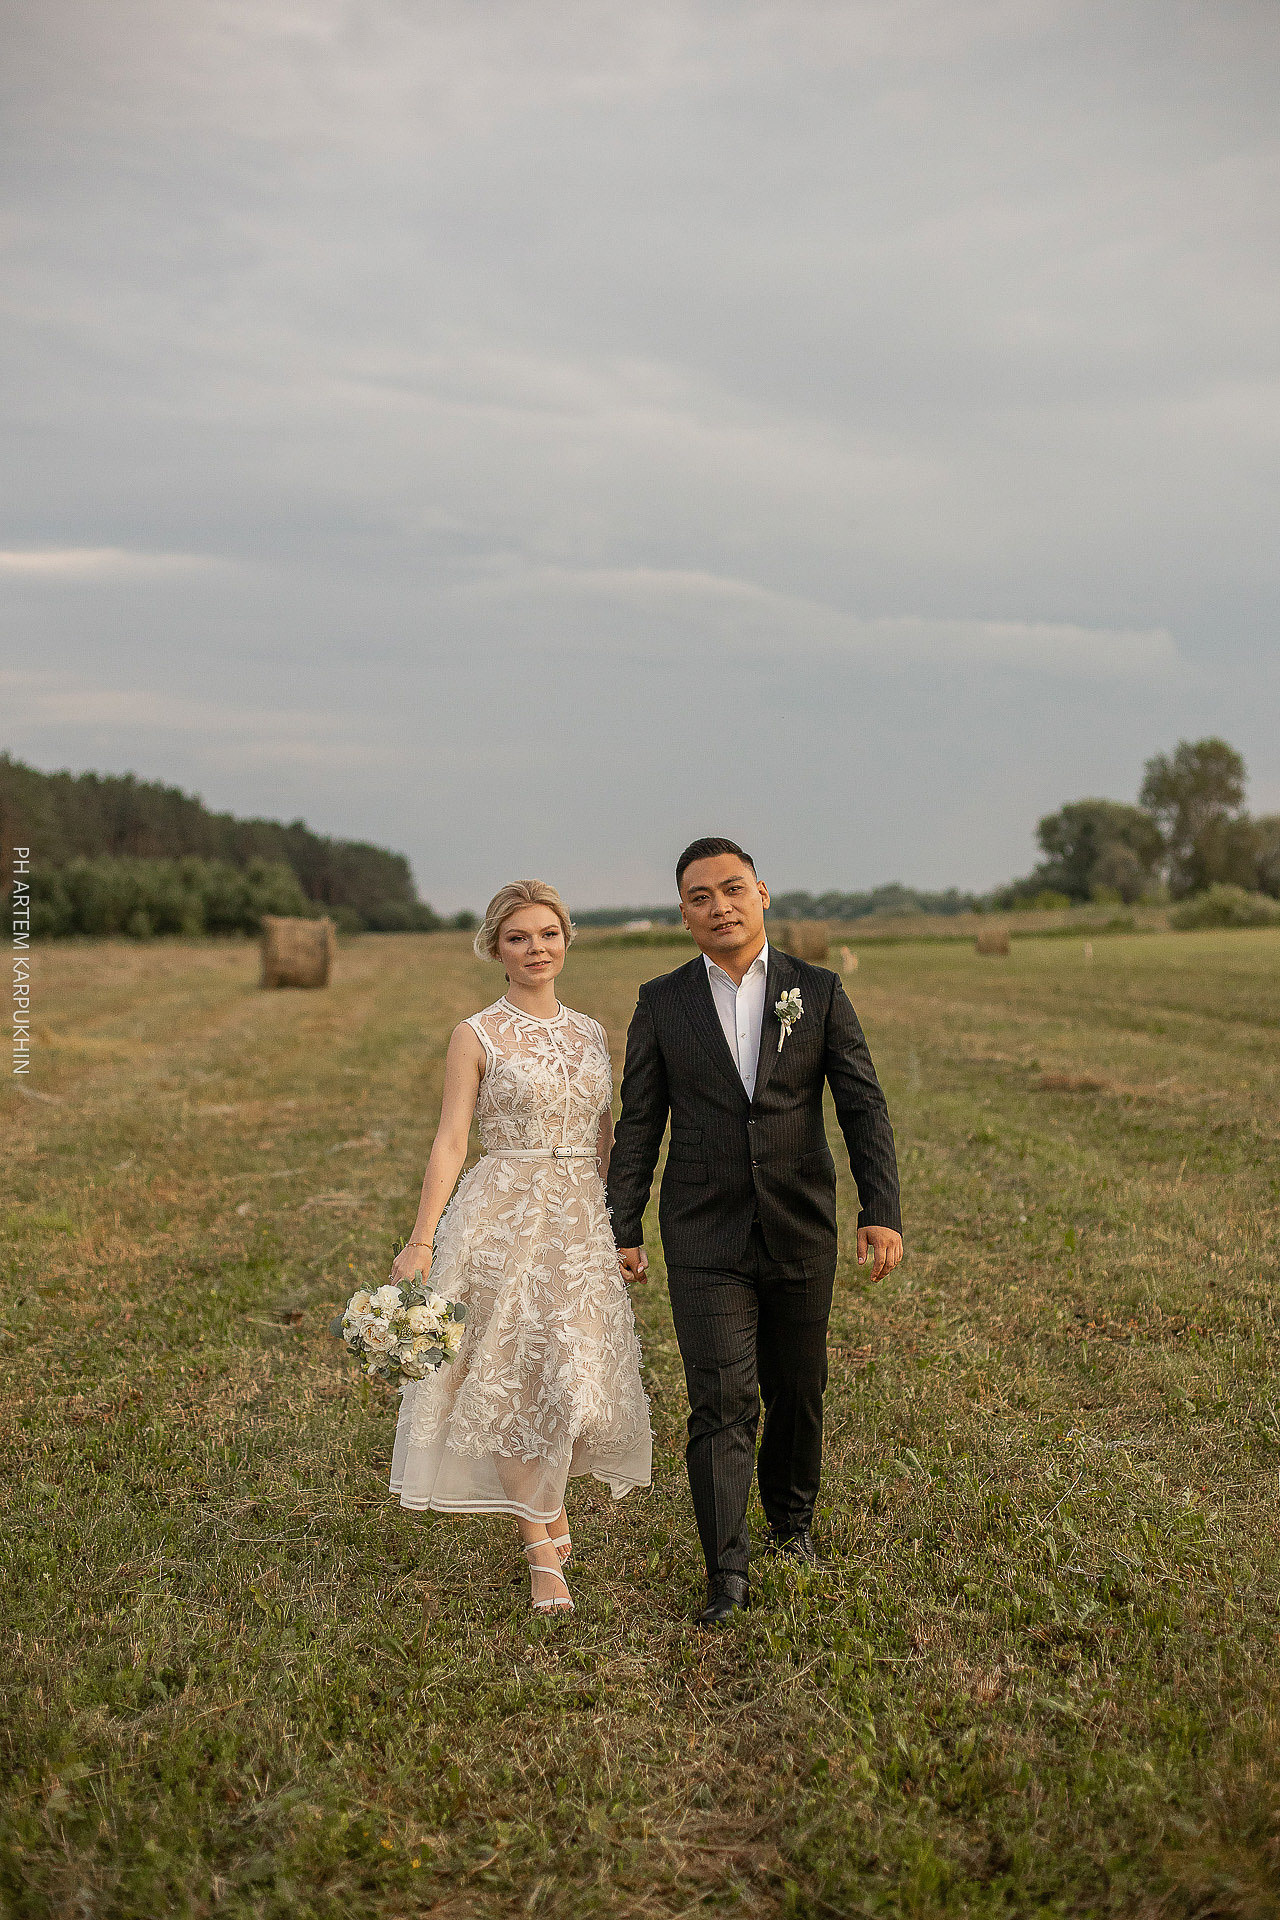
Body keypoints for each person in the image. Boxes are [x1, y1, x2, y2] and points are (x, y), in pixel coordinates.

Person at [605, 838, 902, 1626]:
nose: (720, 907)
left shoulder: (819, 990)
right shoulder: (661, 1003)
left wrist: (880, 1208)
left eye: (732, 889)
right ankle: (725, 1571)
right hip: (704, 1233)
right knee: (721, 1398)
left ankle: (792, 1526)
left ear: (762, 893)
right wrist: (621, 1223)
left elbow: (862, 1106)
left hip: (800, 1225)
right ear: (684, 913)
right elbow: (640, 1122)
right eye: (700, 897)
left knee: (798, 1388)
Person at [388, 880, 652, 1615]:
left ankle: (548, 1504)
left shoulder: (591, 1032)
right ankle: (541, 1552)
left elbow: (606, 1137)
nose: (537, 949)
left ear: (566, 940)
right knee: (506, 1379)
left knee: (569, 1377)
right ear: (495, 949)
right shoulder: (475, 1034)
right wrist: (421, 1240)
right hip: (502, 1218)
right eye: (519, 938)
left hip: (580, 1223)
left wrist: (620, 1228)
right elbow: (451, 1141)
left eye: (548, 934)